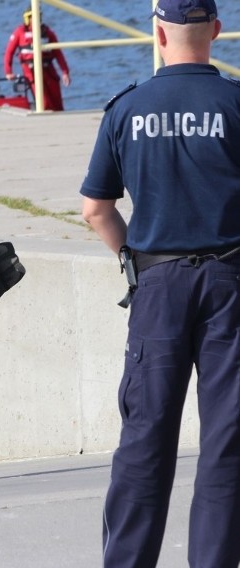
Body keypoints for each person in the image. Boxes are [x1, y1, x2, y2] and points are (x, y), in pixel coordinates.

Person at [79, 1, 240, 566]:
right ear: (216, 32)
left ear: (158, 32)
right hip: (231, 284)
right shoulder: (236, 103)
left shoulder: (128, 108)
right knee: (226, 444)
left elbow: (96, 207)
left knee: (145, 441)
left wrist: (131, 260)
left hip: (157, 286)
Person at [3, 6, 71, 111]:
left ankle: (60, 117)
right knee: (43, 101)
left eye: (37, 16)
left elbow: (58, 53)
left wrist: (65, 72)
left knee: (56, 98)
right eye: (31, 17)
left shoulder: (48, 33)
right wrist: (8, 71)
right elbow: (9, 52)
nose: (34, 19)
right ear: (27, 19)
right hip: (31, 71)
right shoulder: (19, 32)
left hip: (48, 69)